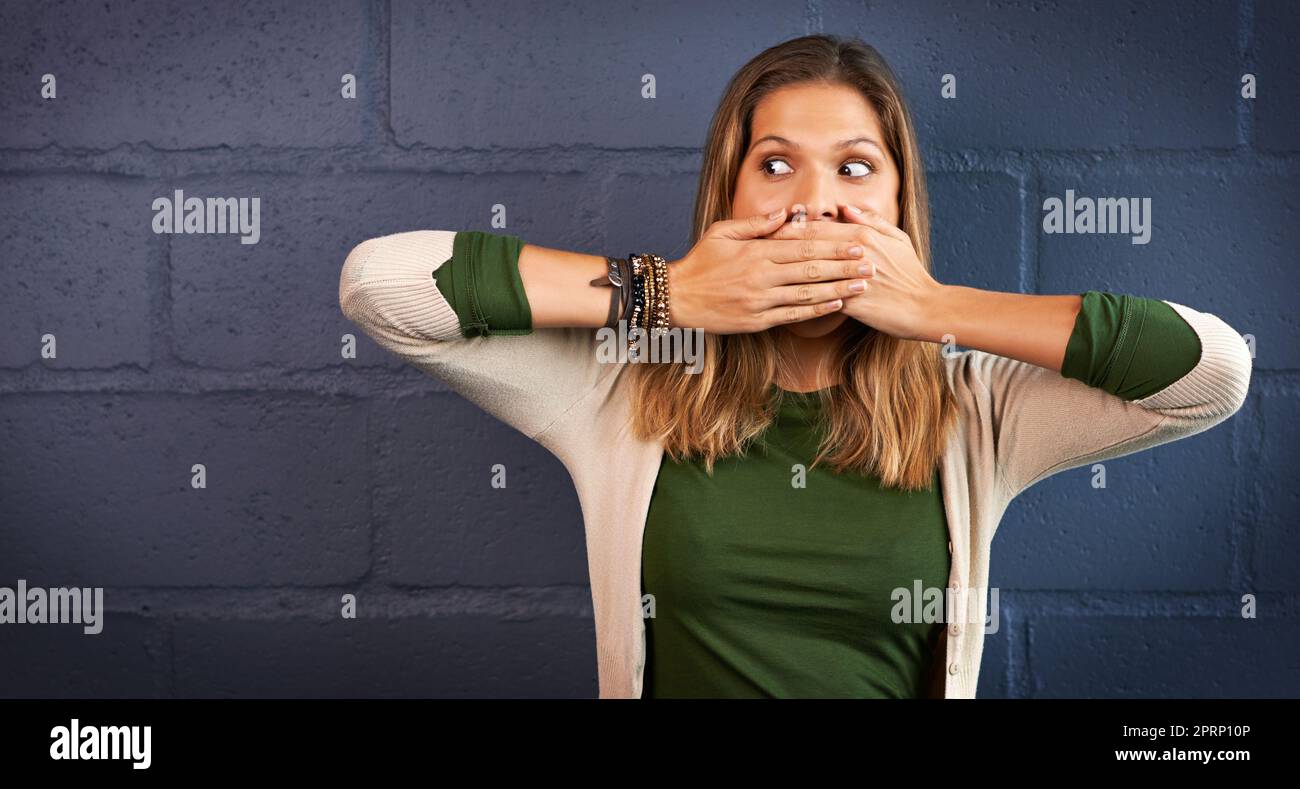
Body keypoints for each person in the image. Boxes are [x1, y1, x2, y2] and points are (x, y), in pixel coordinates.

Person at [338, 34, 1251, 698]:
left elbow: (1211, 371)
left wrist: (933, 308)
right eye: (775, 165)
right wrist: (663, 294)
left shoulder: (974, 410)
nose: (814, 206)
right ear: (729, 196)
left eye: (856, 170)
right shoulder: (624, 384)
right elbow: (383, 285)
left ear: (899, 201)